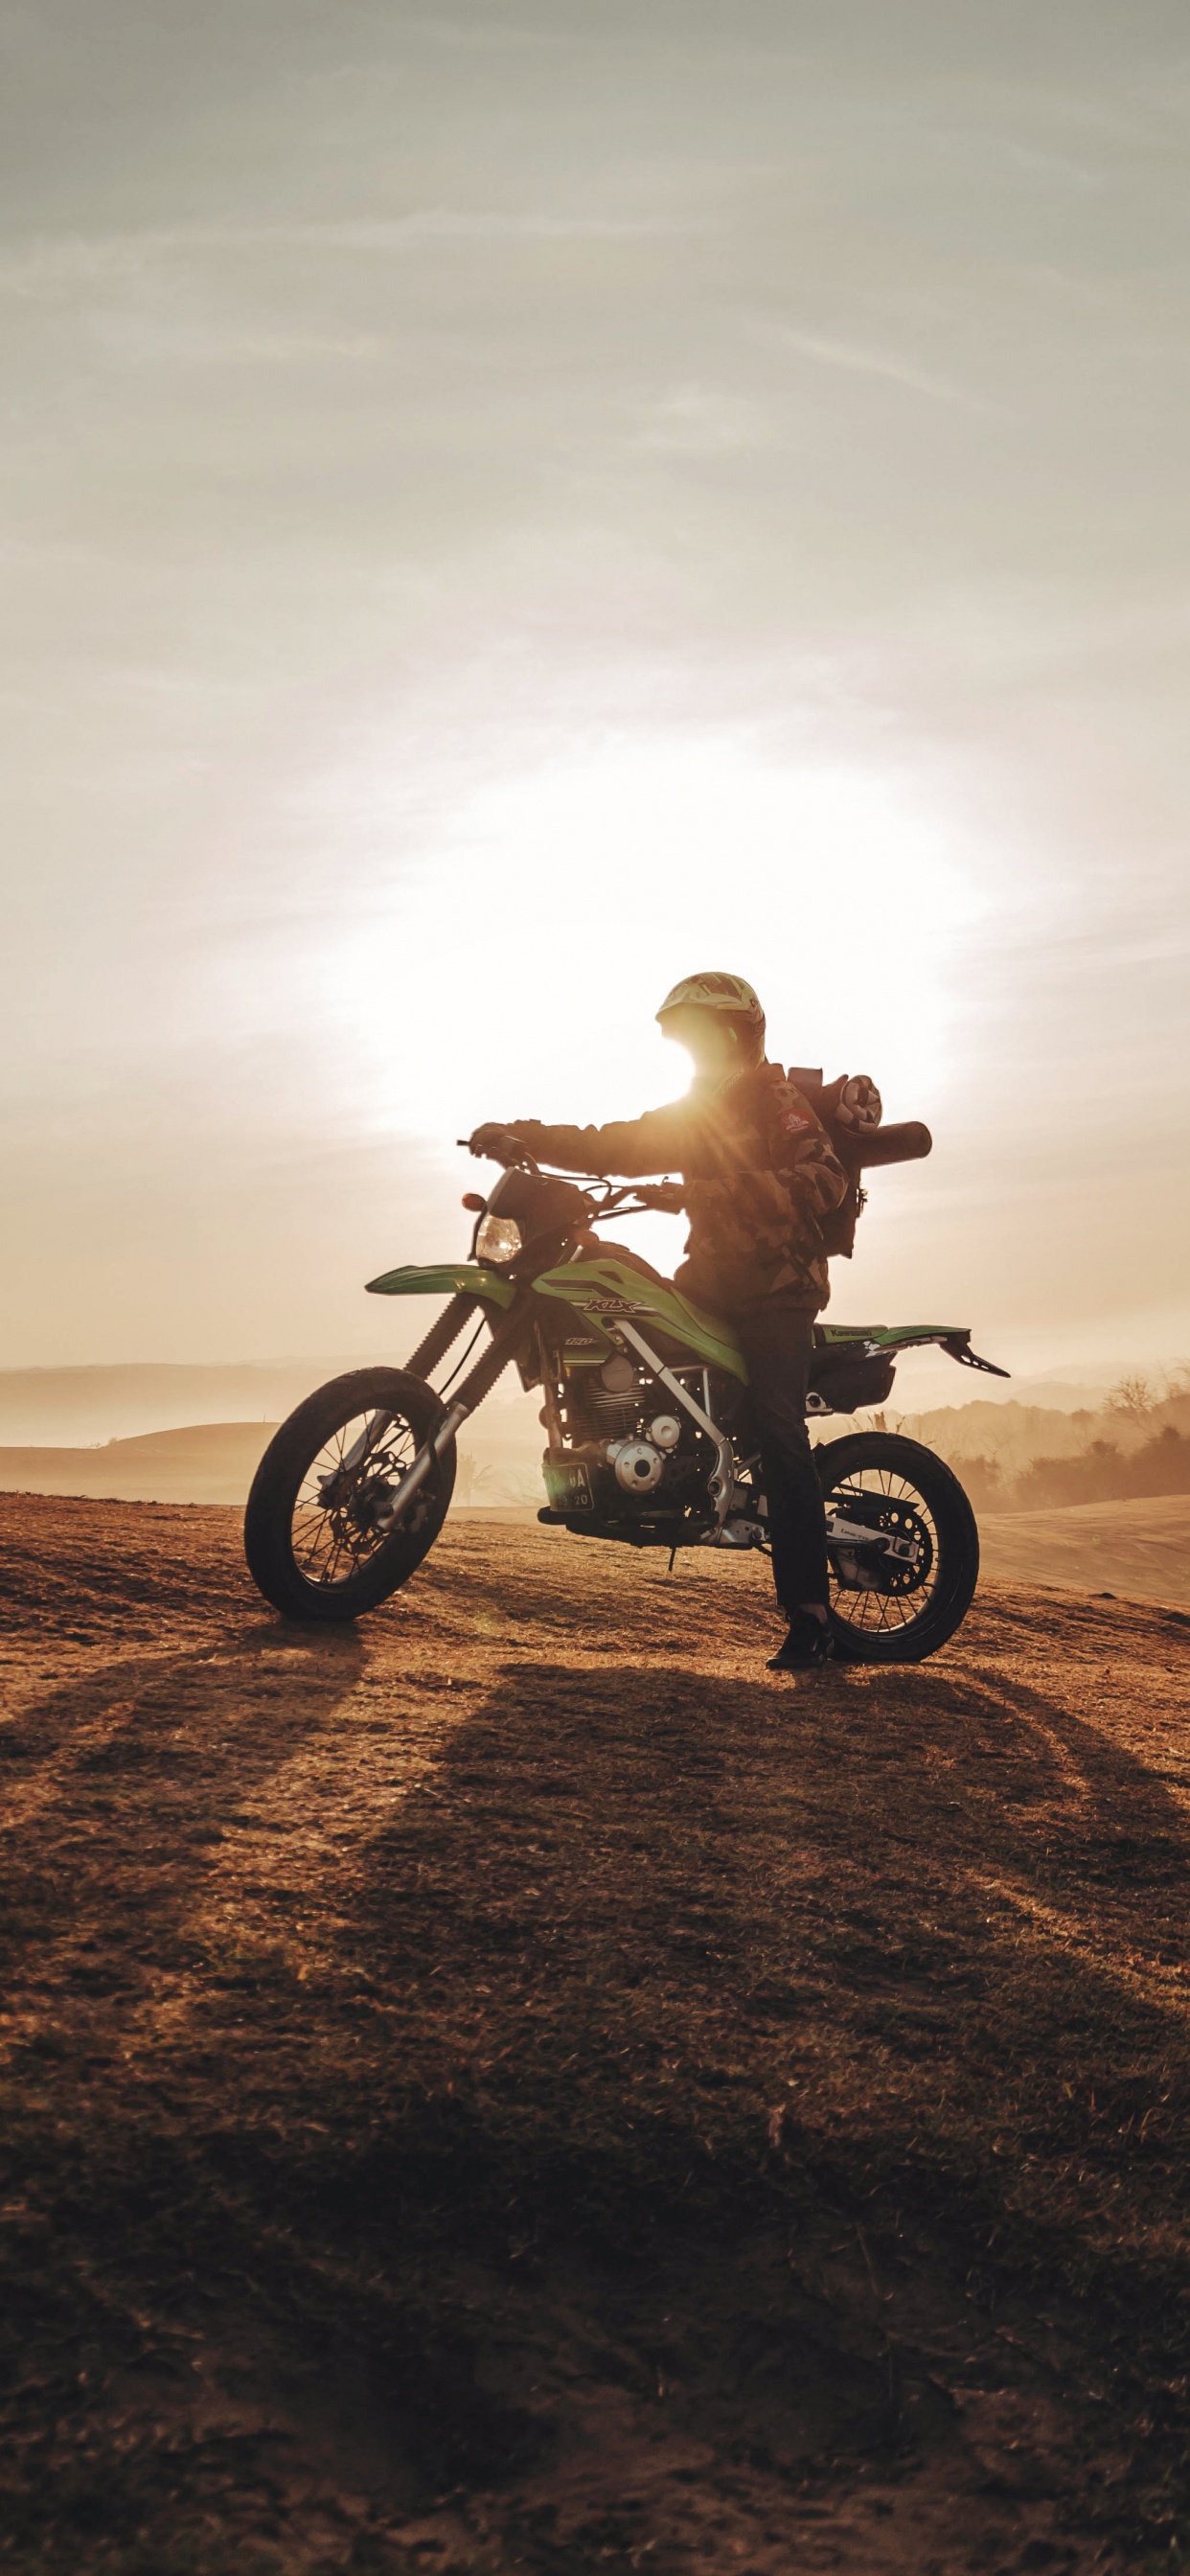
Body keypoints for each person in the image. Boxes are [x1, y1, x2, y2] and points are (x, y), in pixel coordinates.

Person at [469, 970, 863, 1674]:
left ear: (738, 1033)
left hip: (777, 1291)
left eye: (704, 1034)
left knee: (778, 1430)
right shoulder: (695, 1111)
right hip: (709, 1284)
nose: (695, 1048)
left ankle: (812, 1615)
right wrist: (521, 1135)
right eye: (686, 1039)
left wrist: (700, 1191)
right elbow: (612, 1143)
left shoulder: (777, 1102)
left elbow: (823, 1180)